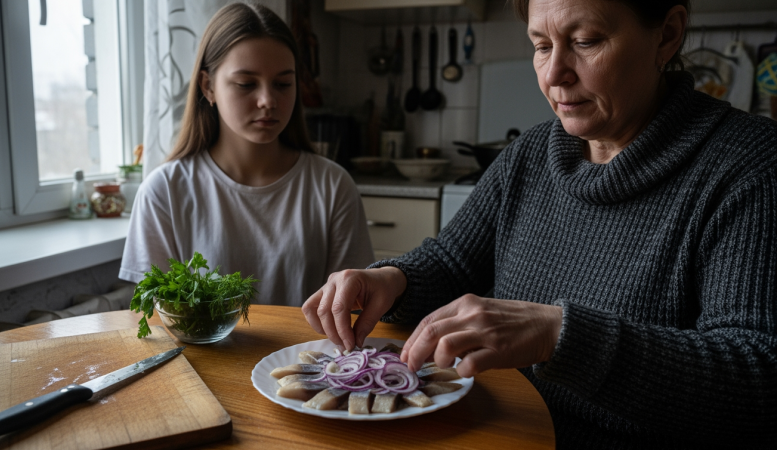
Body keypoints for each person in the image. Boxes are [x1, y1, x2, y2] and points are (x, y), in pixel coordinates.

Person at [302, 0, 777, 447]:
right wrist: (390, 279)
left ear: (667, 35)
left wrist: (559, 335)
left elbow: (756, 379)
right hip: (498, 431)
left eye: (587, 41)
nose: (554, 74)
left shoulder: (750, 166)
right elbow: (450, 262)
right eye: (541, 46)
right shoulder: (531, 154)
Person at [120, 3, 374, 306]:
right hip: (201, 354)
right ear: (208, 86)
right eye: (246, 84)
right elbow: (158, 318)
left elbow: (351, 306)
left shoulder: (332, 186)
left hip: (306, 355)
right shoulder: (164, 191)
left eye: (283, 84)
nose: (268, 100)